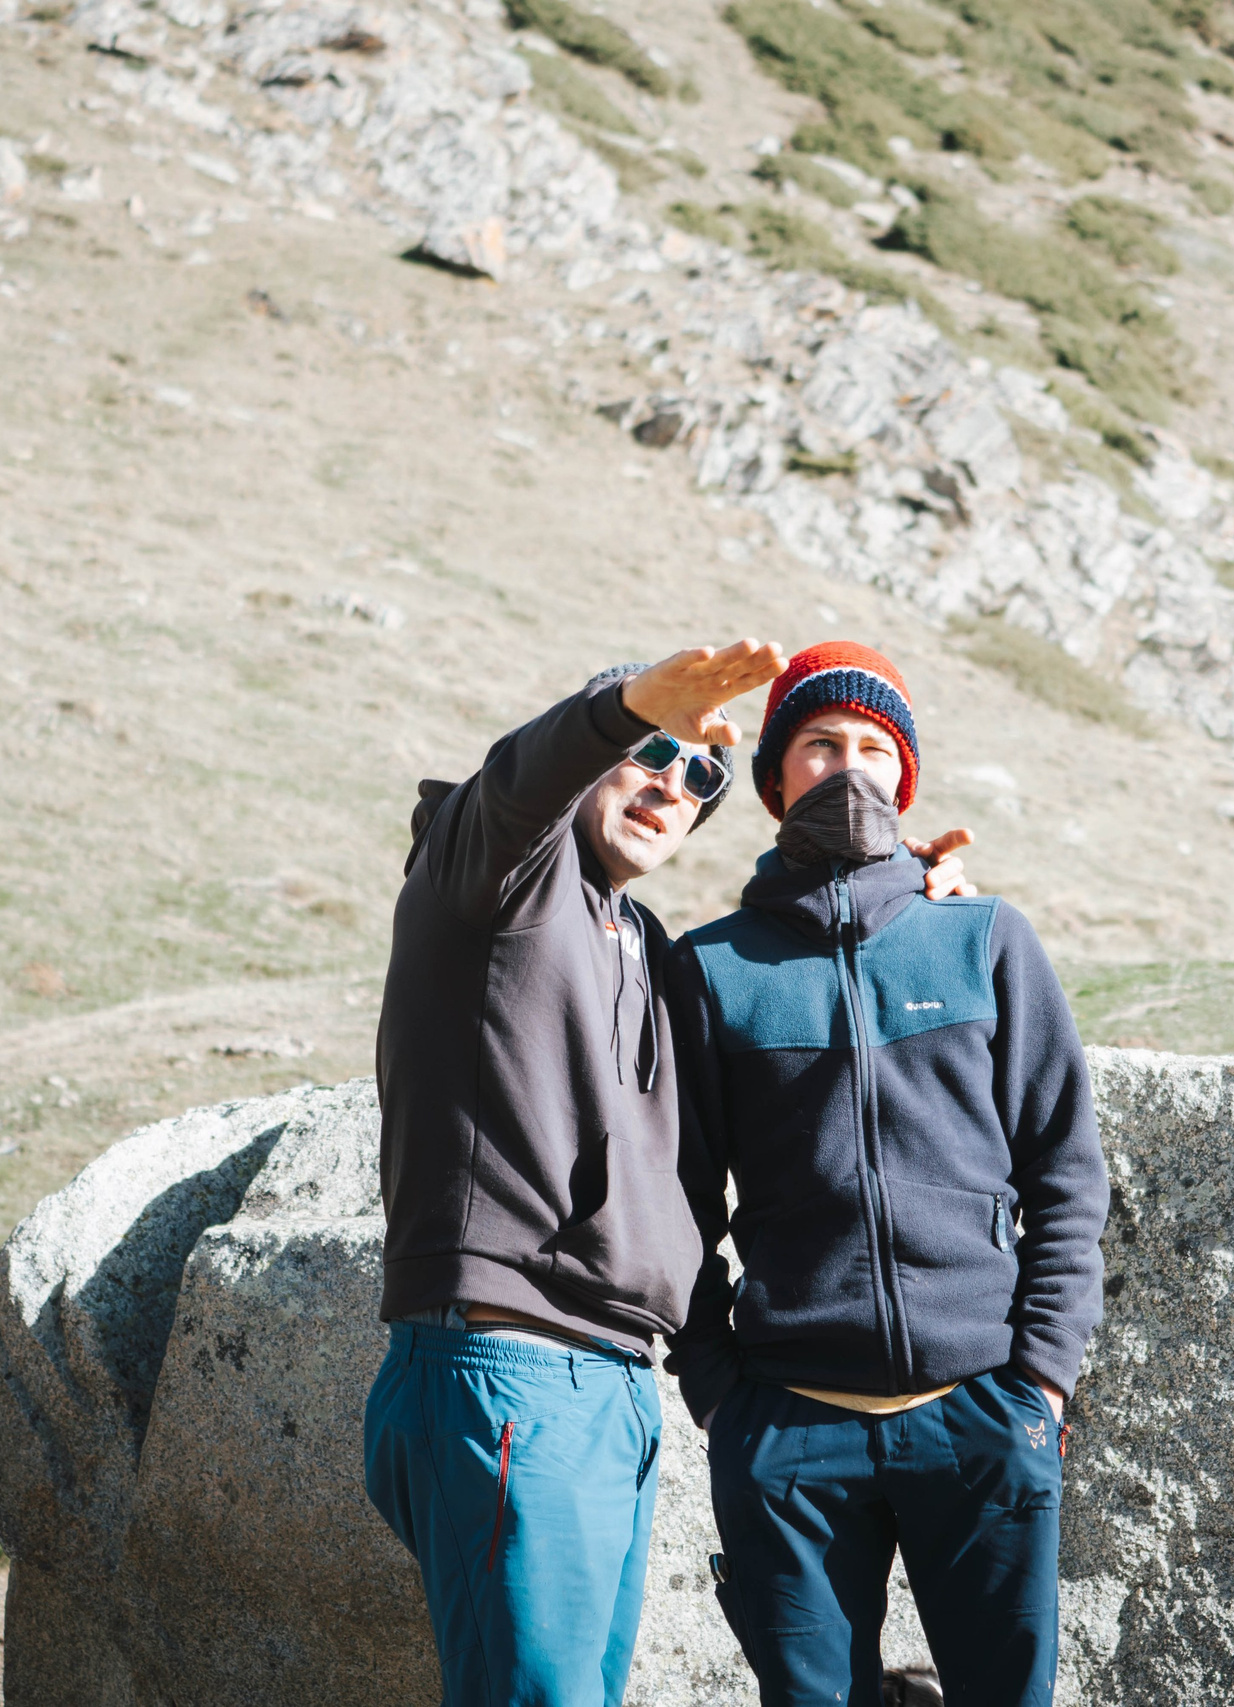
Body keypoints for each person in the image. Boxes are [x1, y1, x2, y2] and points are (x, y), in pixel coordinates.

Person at [363, 642, 972, 1707]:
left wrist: (902, 890)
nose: (671, 784)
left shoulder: (636, 938)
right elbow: (518, 788)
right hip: (511, 1362)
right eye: (650, 752)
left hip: (611, 1380)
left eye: (700, 775)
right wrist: (632, 704)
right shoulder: (493, 872)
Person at [664, 641, 1109, 1707]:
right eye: (820, 745)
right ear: (774, 779)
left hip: (983, 1414)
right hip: (787, 1428)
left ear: (905, 778)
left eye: (873, 748)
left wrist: (1040, 1380)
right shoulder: (711, 968)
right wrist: (723, 1396)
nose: (848, 768)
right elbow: (676, 1202)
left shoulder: (984, 939)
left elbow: (1064, 1168)